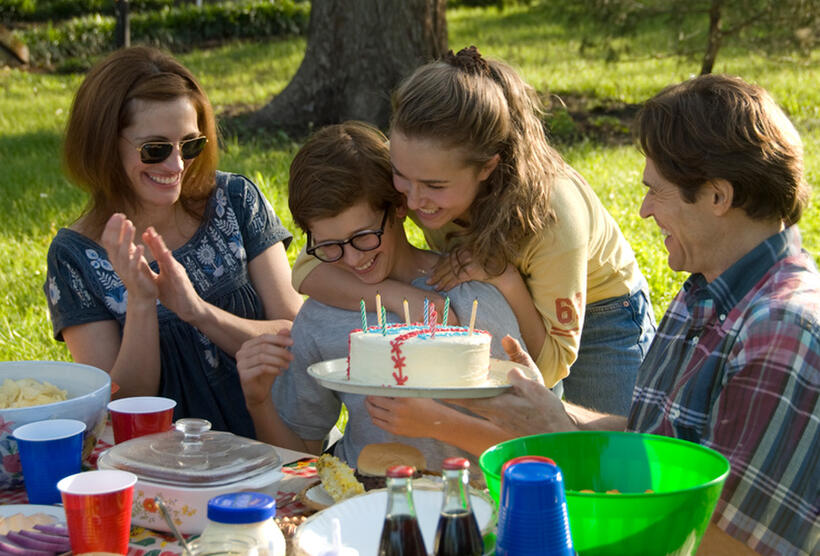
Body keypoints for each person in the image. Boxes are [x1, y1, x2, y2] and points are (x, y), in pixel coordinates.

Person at [451, 74, 819, 556]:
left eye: (656, 191)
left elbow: (729, 543)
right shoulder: (709, 290)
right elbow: (656, 445)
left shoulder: (781, 331)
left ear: (716, 197)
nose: (644, 210)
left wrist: (564, 441)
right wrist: (549, 413)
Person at [290, 46, 655, 416]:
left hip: (600, 317)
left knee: (606, 458)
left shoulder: (553, 217)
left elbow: (544, 371)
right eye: (401, 176)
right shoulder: (417, 166)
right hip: (500, 302)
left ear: (486, 167)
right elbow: (306, 268)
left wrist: (504, 278)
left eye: (434, 186)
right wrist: (409, 302)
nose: (414, 201)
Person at [235, 121, 535, 469]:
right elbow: (302, 458)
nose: (352, 258)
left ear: (399, 207)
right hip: (362, 499)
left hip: (467, 504)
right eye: (330, 246)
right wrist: (258, 402)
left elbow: (531, 439)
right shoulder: (320, 317)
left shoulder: (471, 295)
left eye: (363, 236)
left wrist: (434, 420)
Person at [43, 46, 303, 438]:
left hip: (282, 441)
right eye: (155, 149)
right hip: (169, 465)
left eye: (190, 144)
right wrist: (142, 302)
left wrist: (198, 312)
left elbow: (298, 335)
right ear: (104, 145)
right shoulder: (75, 256)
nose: (177, 165)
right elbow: (123, 404)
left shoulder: (235, 200)